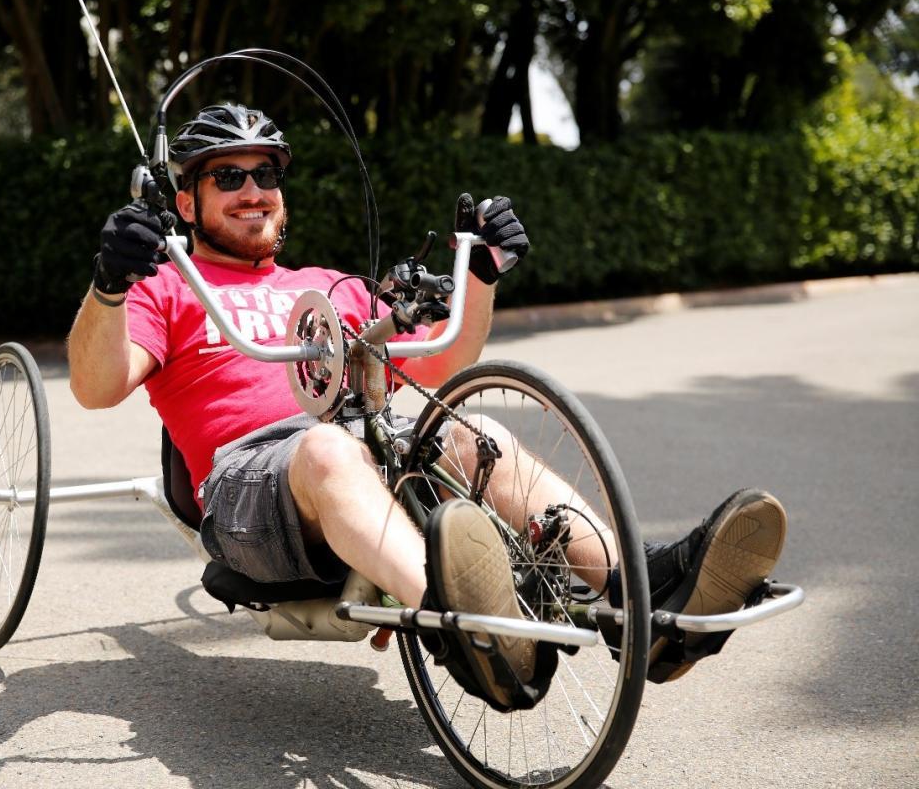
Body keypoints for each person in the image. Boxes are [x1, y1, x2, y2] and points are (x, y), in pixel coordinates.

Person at [67, 103, 788, 709]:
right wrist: (108, 285)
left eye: (266, 175)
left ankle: (646, 595)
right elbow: (96, 387)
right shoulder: (166, 288)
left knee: (474, 431)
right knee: (325, 450)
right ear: (186, 202)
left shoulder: (332, 286)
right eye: (229, 176)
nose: (253, 190)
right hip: (252, 489)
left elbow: (444, 361)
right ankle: (476, 634)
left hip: (366, 457)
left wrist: (480, 275)